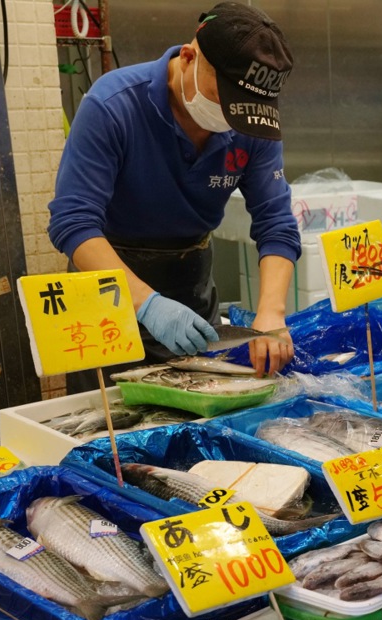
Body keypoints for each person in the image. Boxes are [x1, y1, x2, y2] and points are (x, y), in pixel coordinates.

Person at [48, 2, 299, 392]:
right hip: (107, 284)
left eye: (245, 109)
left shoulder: (254, 122)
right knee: (105, 426)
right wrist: (147, 304)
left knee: (196, 425)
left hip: (191, 279)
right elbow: (72, 222)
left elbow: (276, 223)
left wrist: (271, 313)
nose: (235, 119)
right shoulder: (113, 105)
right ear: (188, 58)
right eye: (226, 100)